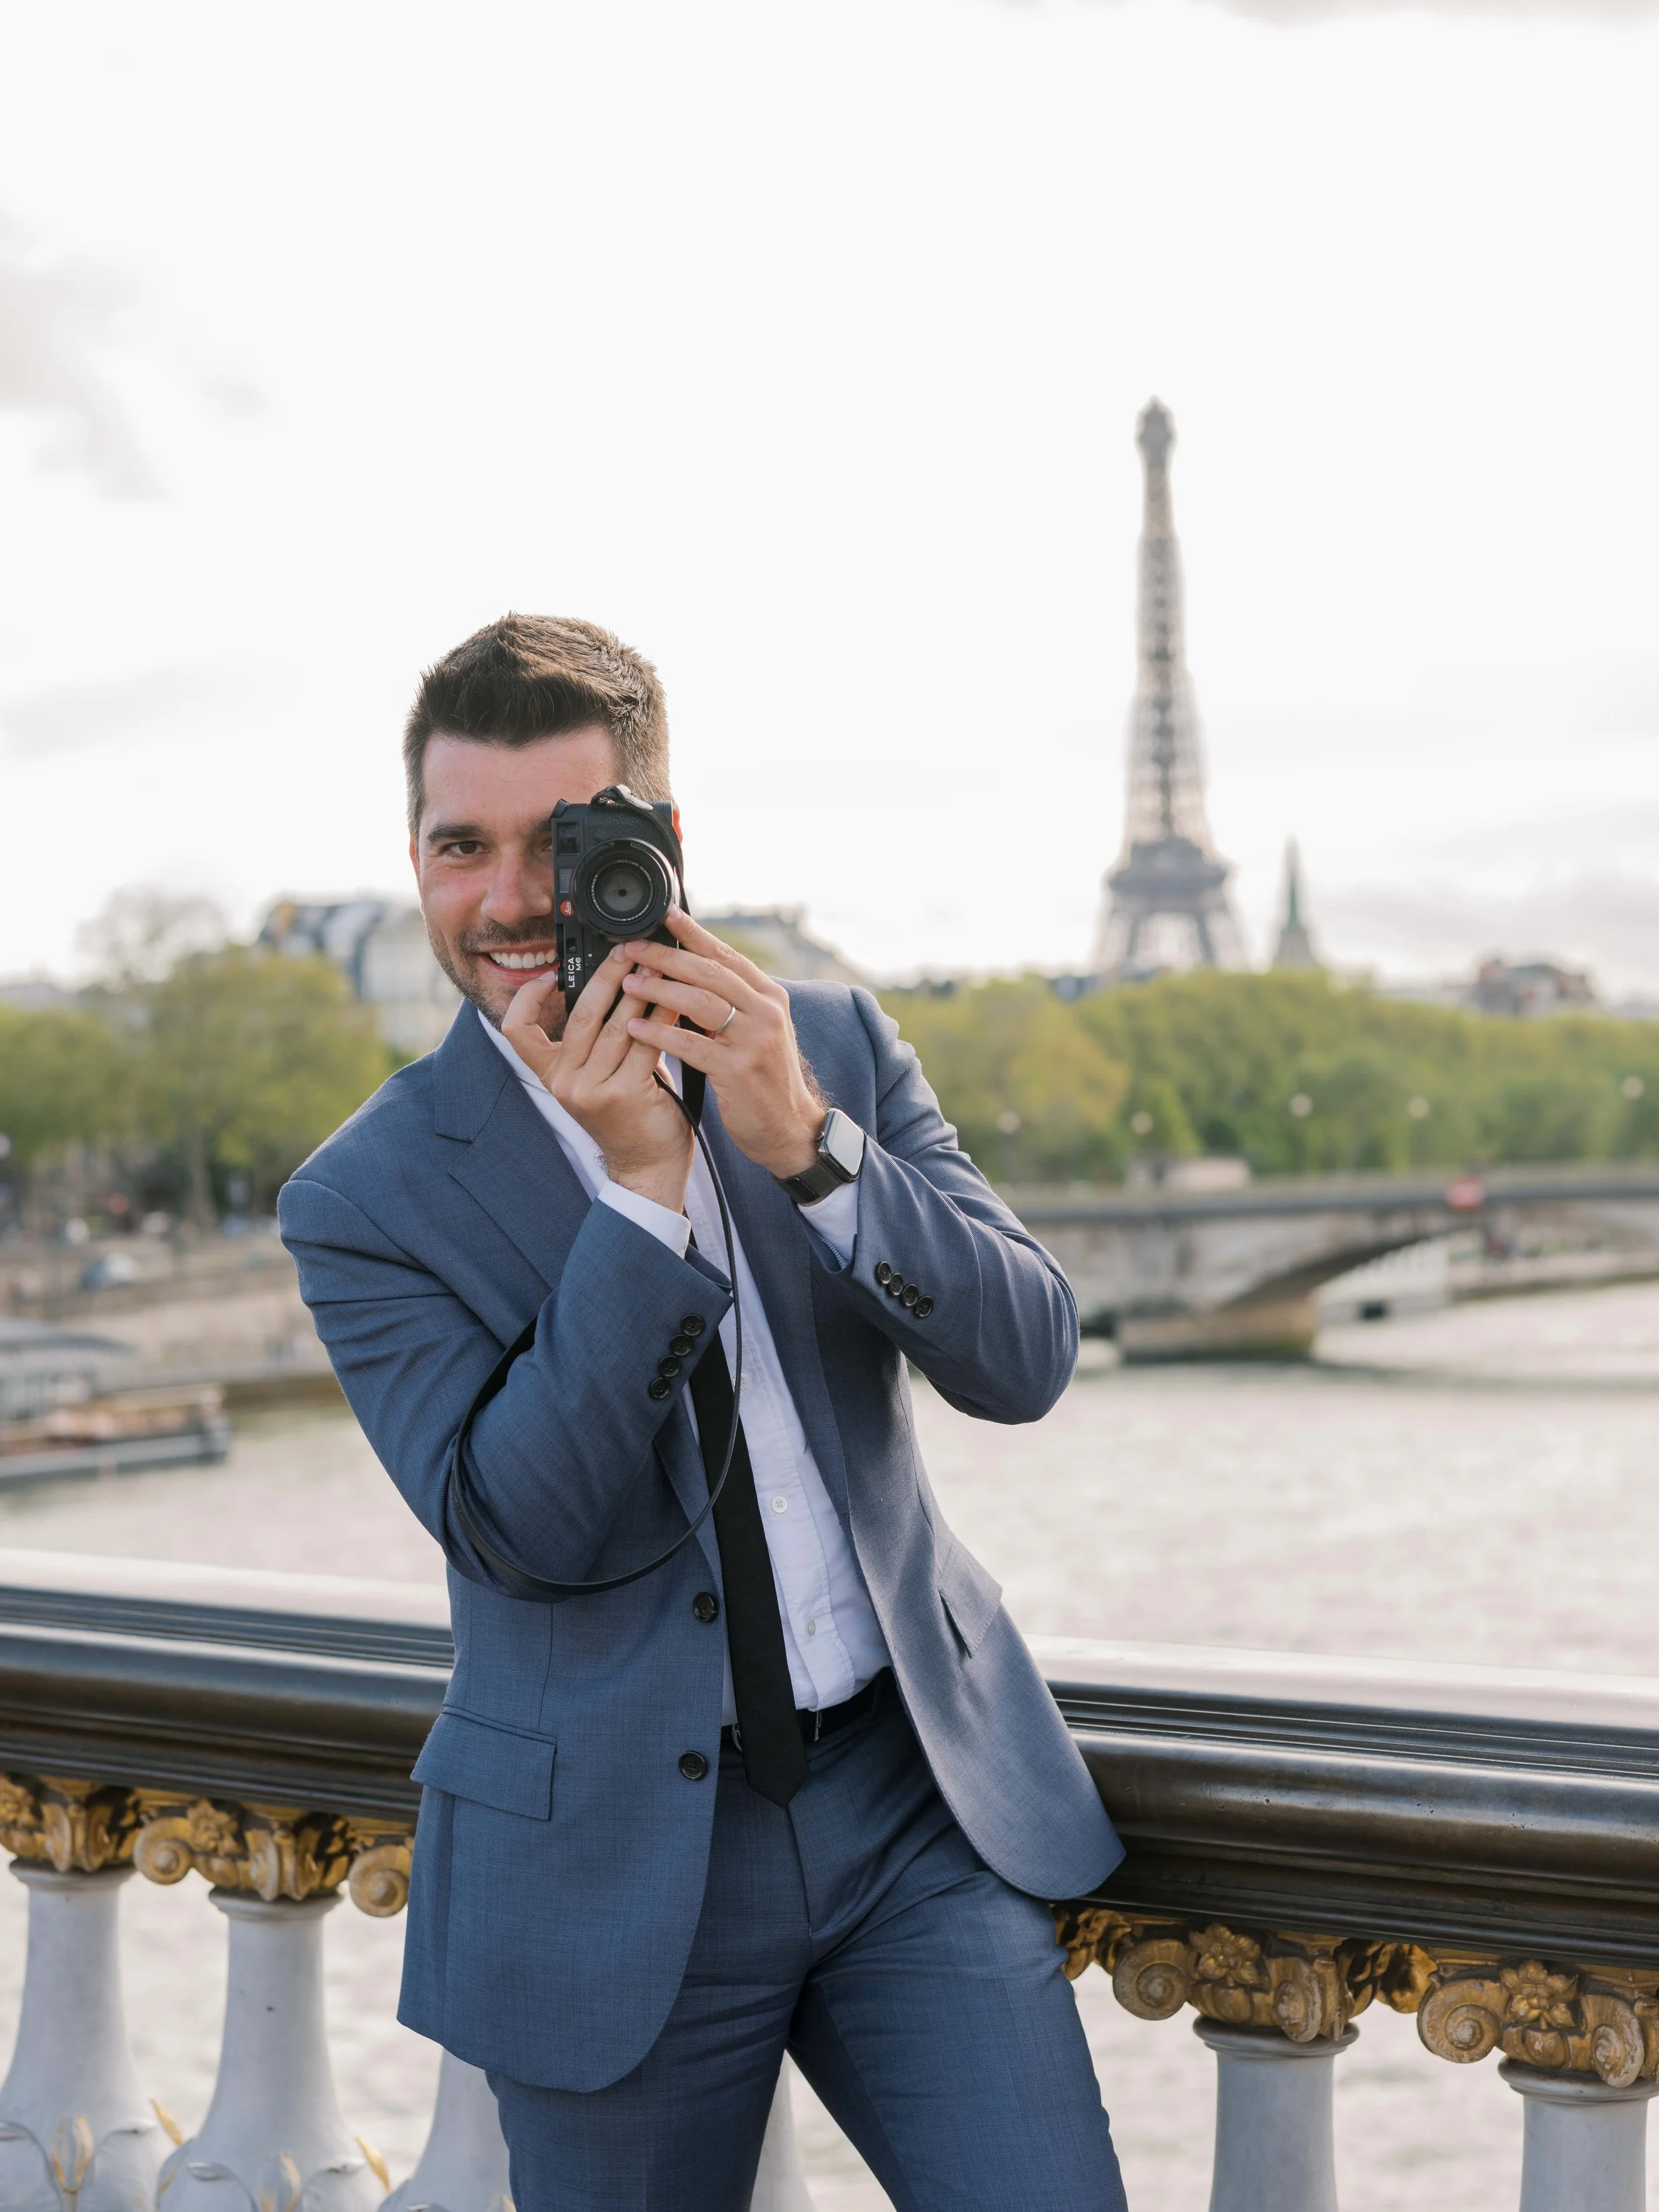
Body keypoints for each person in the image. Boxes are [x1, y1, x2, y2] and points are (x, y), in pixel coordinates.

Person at [279, 614, 1129, 2211]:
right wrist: (646, 1203)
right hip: (601, 1865)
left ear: (656, 845)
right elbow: (517, 1527)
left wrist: (804, 1145)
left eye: (562, 841)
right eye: (462, 846)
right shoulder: (364, 1196)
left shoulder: (831, 1049)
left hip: (908, 1807)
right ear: (414, 856)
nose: (514, 899)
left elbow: (1022, 1362)